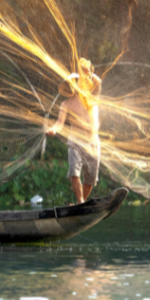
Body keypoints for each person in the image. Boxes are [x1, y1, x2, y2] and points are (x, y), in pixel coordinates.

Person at [46, 60, 103, 204]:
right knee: (74, 173)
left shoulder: (93, 97)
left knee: (91, 178)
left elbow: (99, 81)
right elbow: (60, 123)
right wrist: (53, 129)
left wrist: (87, 70)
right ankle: (80, 201)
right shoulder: (66, 104)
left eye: (86, 78)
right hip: (75, 140)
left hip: (93, 142)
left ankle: (79, 203)